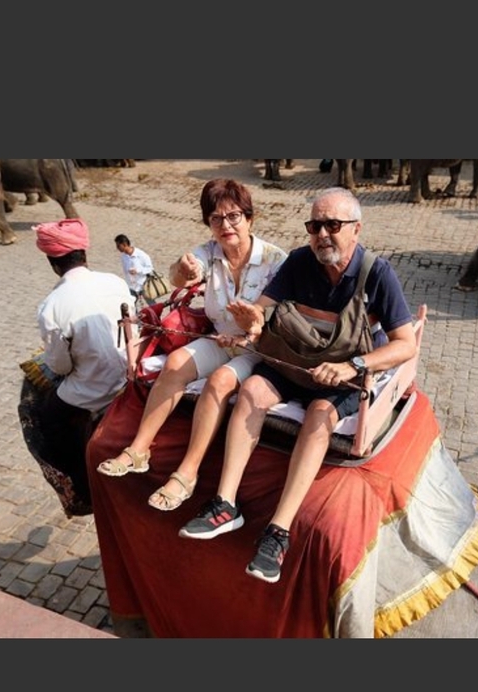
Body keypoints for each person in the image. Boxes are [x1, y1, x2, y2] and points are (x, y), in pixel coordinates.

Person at [179, 188, 418, 583]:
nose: (322, 234)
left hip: (341, 374)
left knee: (320, 414)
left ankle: (279, 531)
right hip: (294, 363)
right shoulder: (298, 261)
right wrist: (252, 319)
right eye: (315, 225)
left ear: (356, 229)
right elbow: (266, 306)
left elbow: (405, 345)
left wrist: (353, 366)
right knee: (253, 389)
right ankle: (225, 503)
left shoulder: (378, 273)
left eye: (333, 225)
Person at [97, 178, 287, 512]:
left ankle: (188, 473)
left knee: (221, 380)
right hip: (220, 338)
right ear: (208, 224)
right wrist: (183, 271)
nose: (225, 225)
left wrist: (253, 330)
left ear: (250, 218)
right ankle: (139, 449)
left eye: (234, 217)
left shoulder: (276, 260)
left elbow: (285, 320)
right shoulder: (208, 253)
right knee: (174, 363)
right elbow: (178, 276)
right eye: (216, 219)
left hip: (260, 350)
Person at [21, 217, 133, 515]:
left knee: (46, 418)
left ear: (52, 262)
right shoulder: (115, 282)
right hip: (129, 378)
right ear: (84, 253)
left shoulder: (52, 305)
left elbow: (58, 366)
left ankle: (79, 488)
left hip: (92, 390)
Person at [114, 233, 154, 300]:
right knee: (131, 305)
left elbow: (150, 269)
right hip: (131, 287)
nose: (117, 248)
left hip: (143, 285)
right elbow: (125, 271)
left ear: (124, 244)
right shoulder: (123, 257)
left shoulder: (141, 255)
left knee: (151, 303)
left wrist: (138, 271)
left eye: (118, 246)